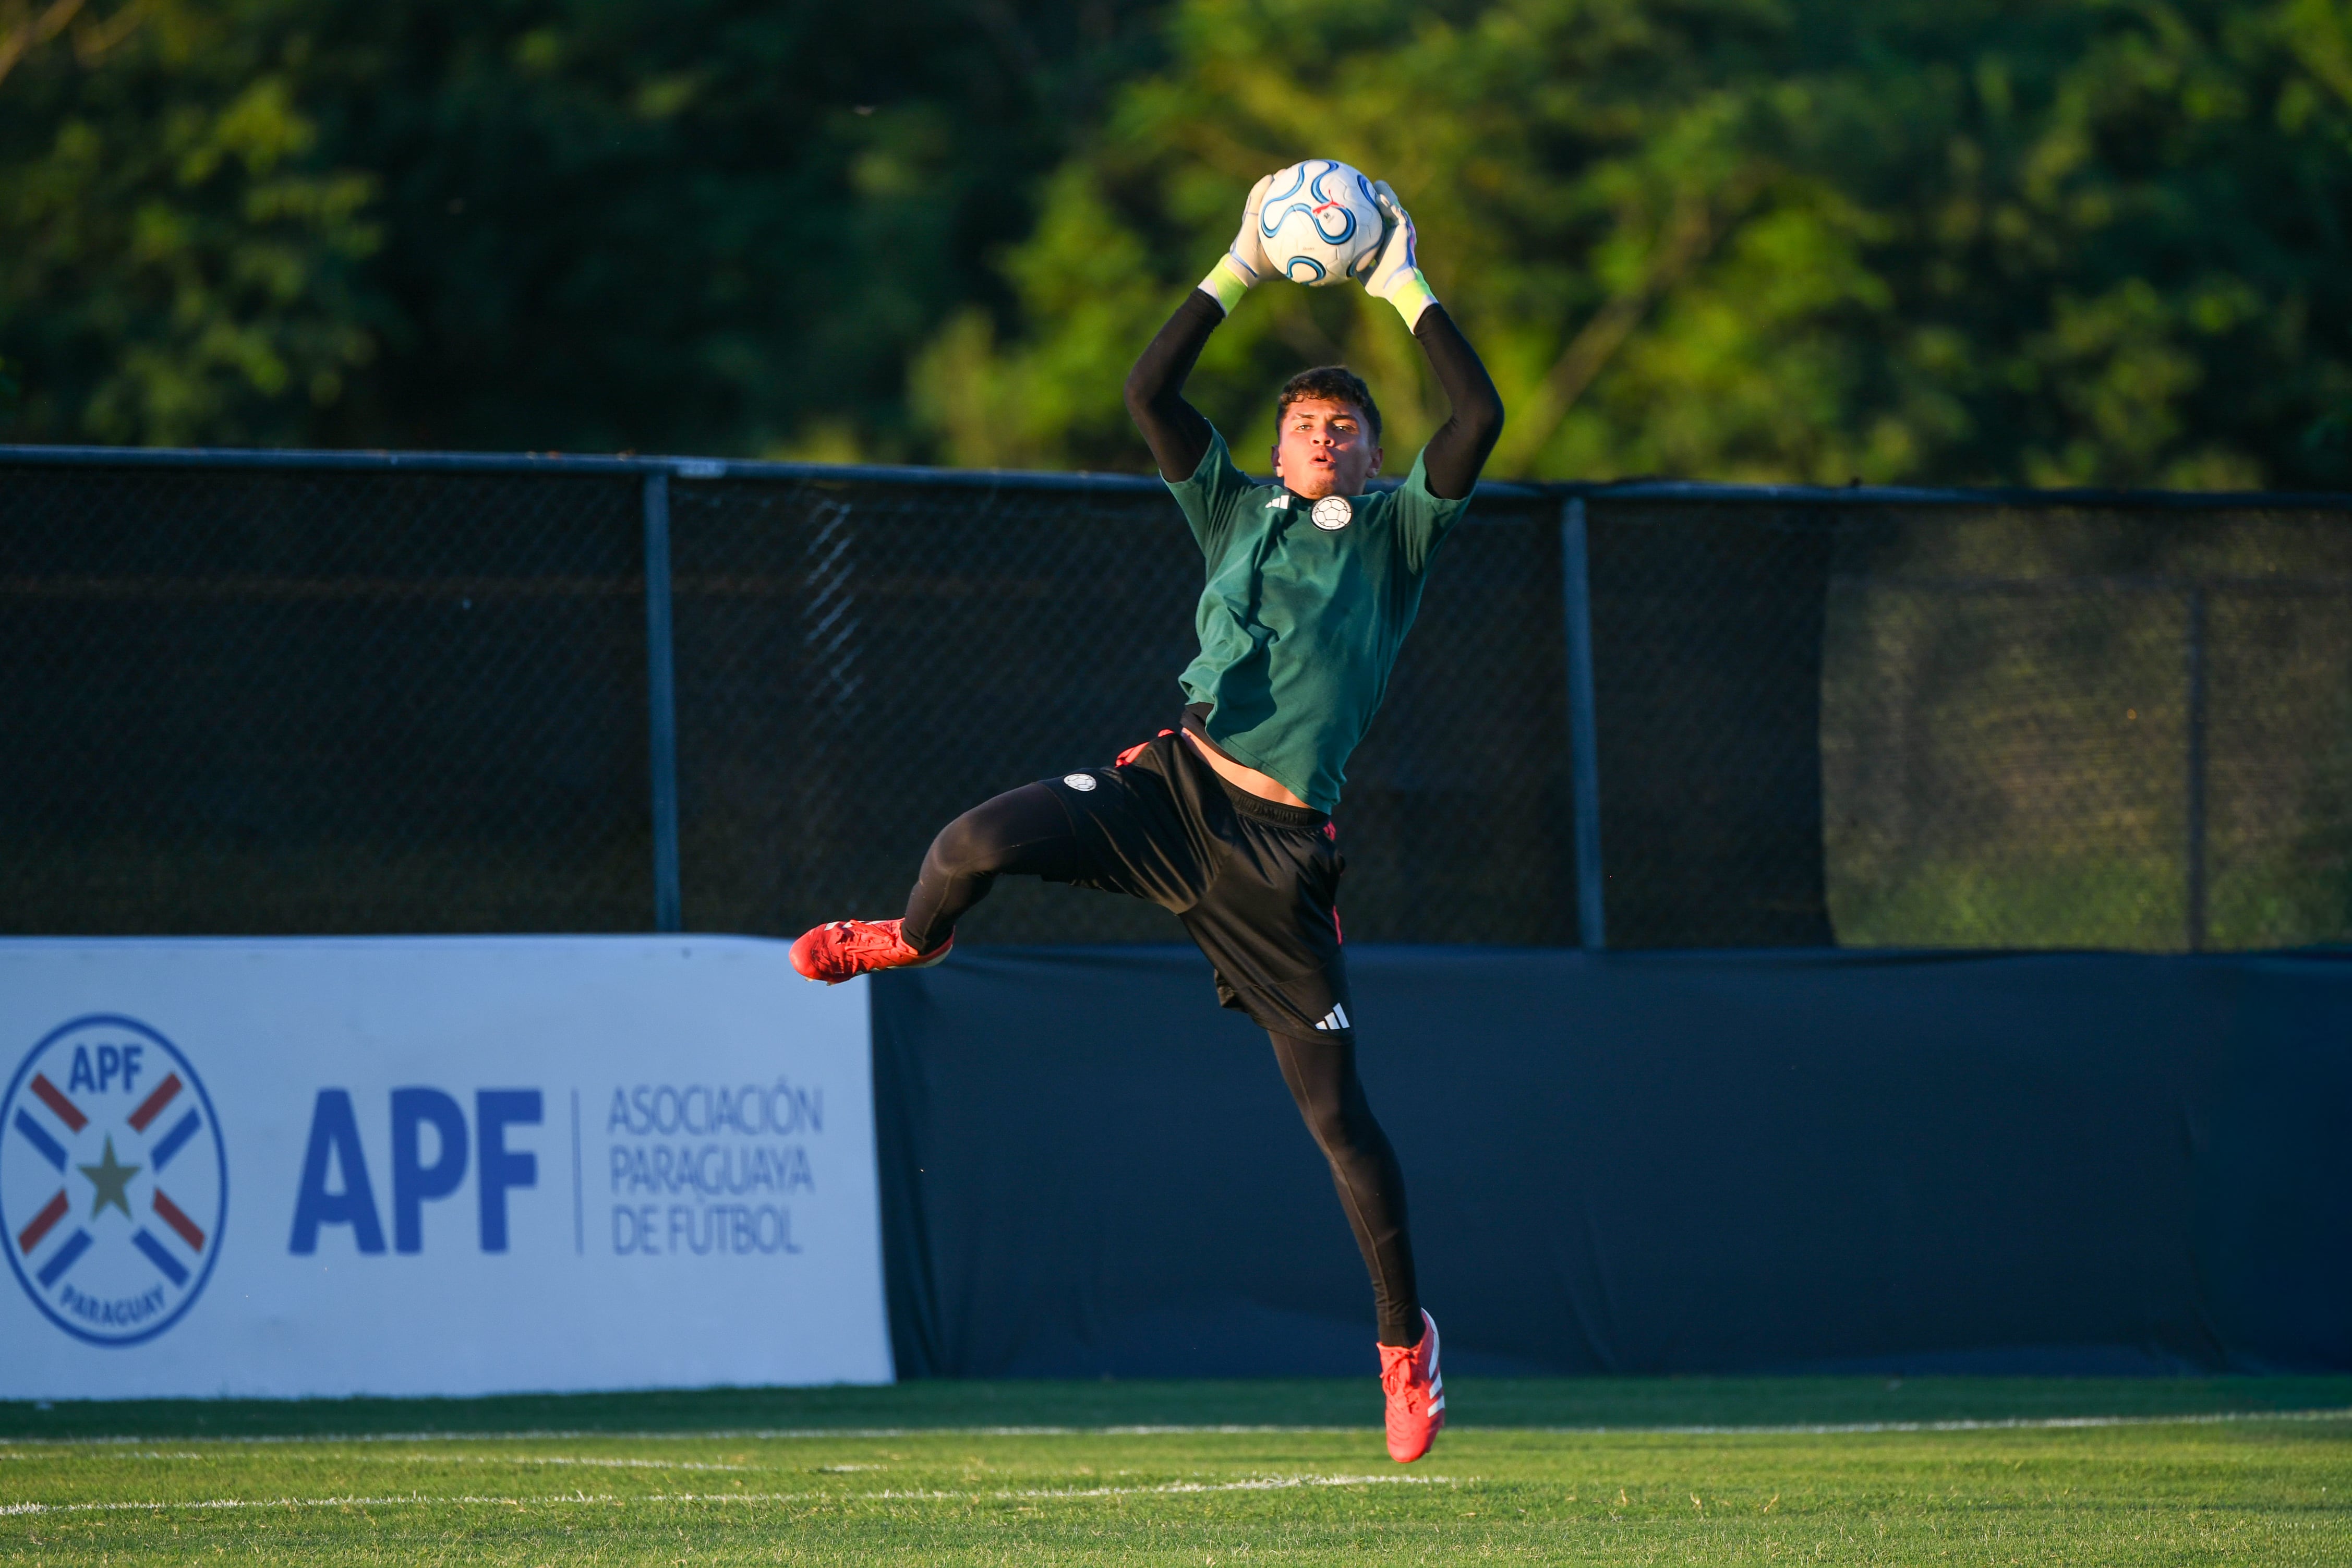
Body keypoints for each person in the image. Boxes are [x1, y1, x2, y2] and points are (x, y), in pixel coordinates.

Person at [789, 172, 1504, 1464]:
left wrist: (1400, 278)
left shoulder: (1397, 535)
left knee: (1336, 1123)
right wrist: (1236, 261)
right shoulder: (1233, 508)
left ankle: (1404, 1345)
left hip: (1278, 862)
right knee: (966, 848)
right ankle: (911, 939)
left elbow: (1480, 412)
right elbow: (1146, 396)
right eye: (1304, 425)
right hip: (1169, 792)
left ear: (1370, 451)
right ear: (1276, 445)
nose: (1324, 438)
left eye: (1344, 426)